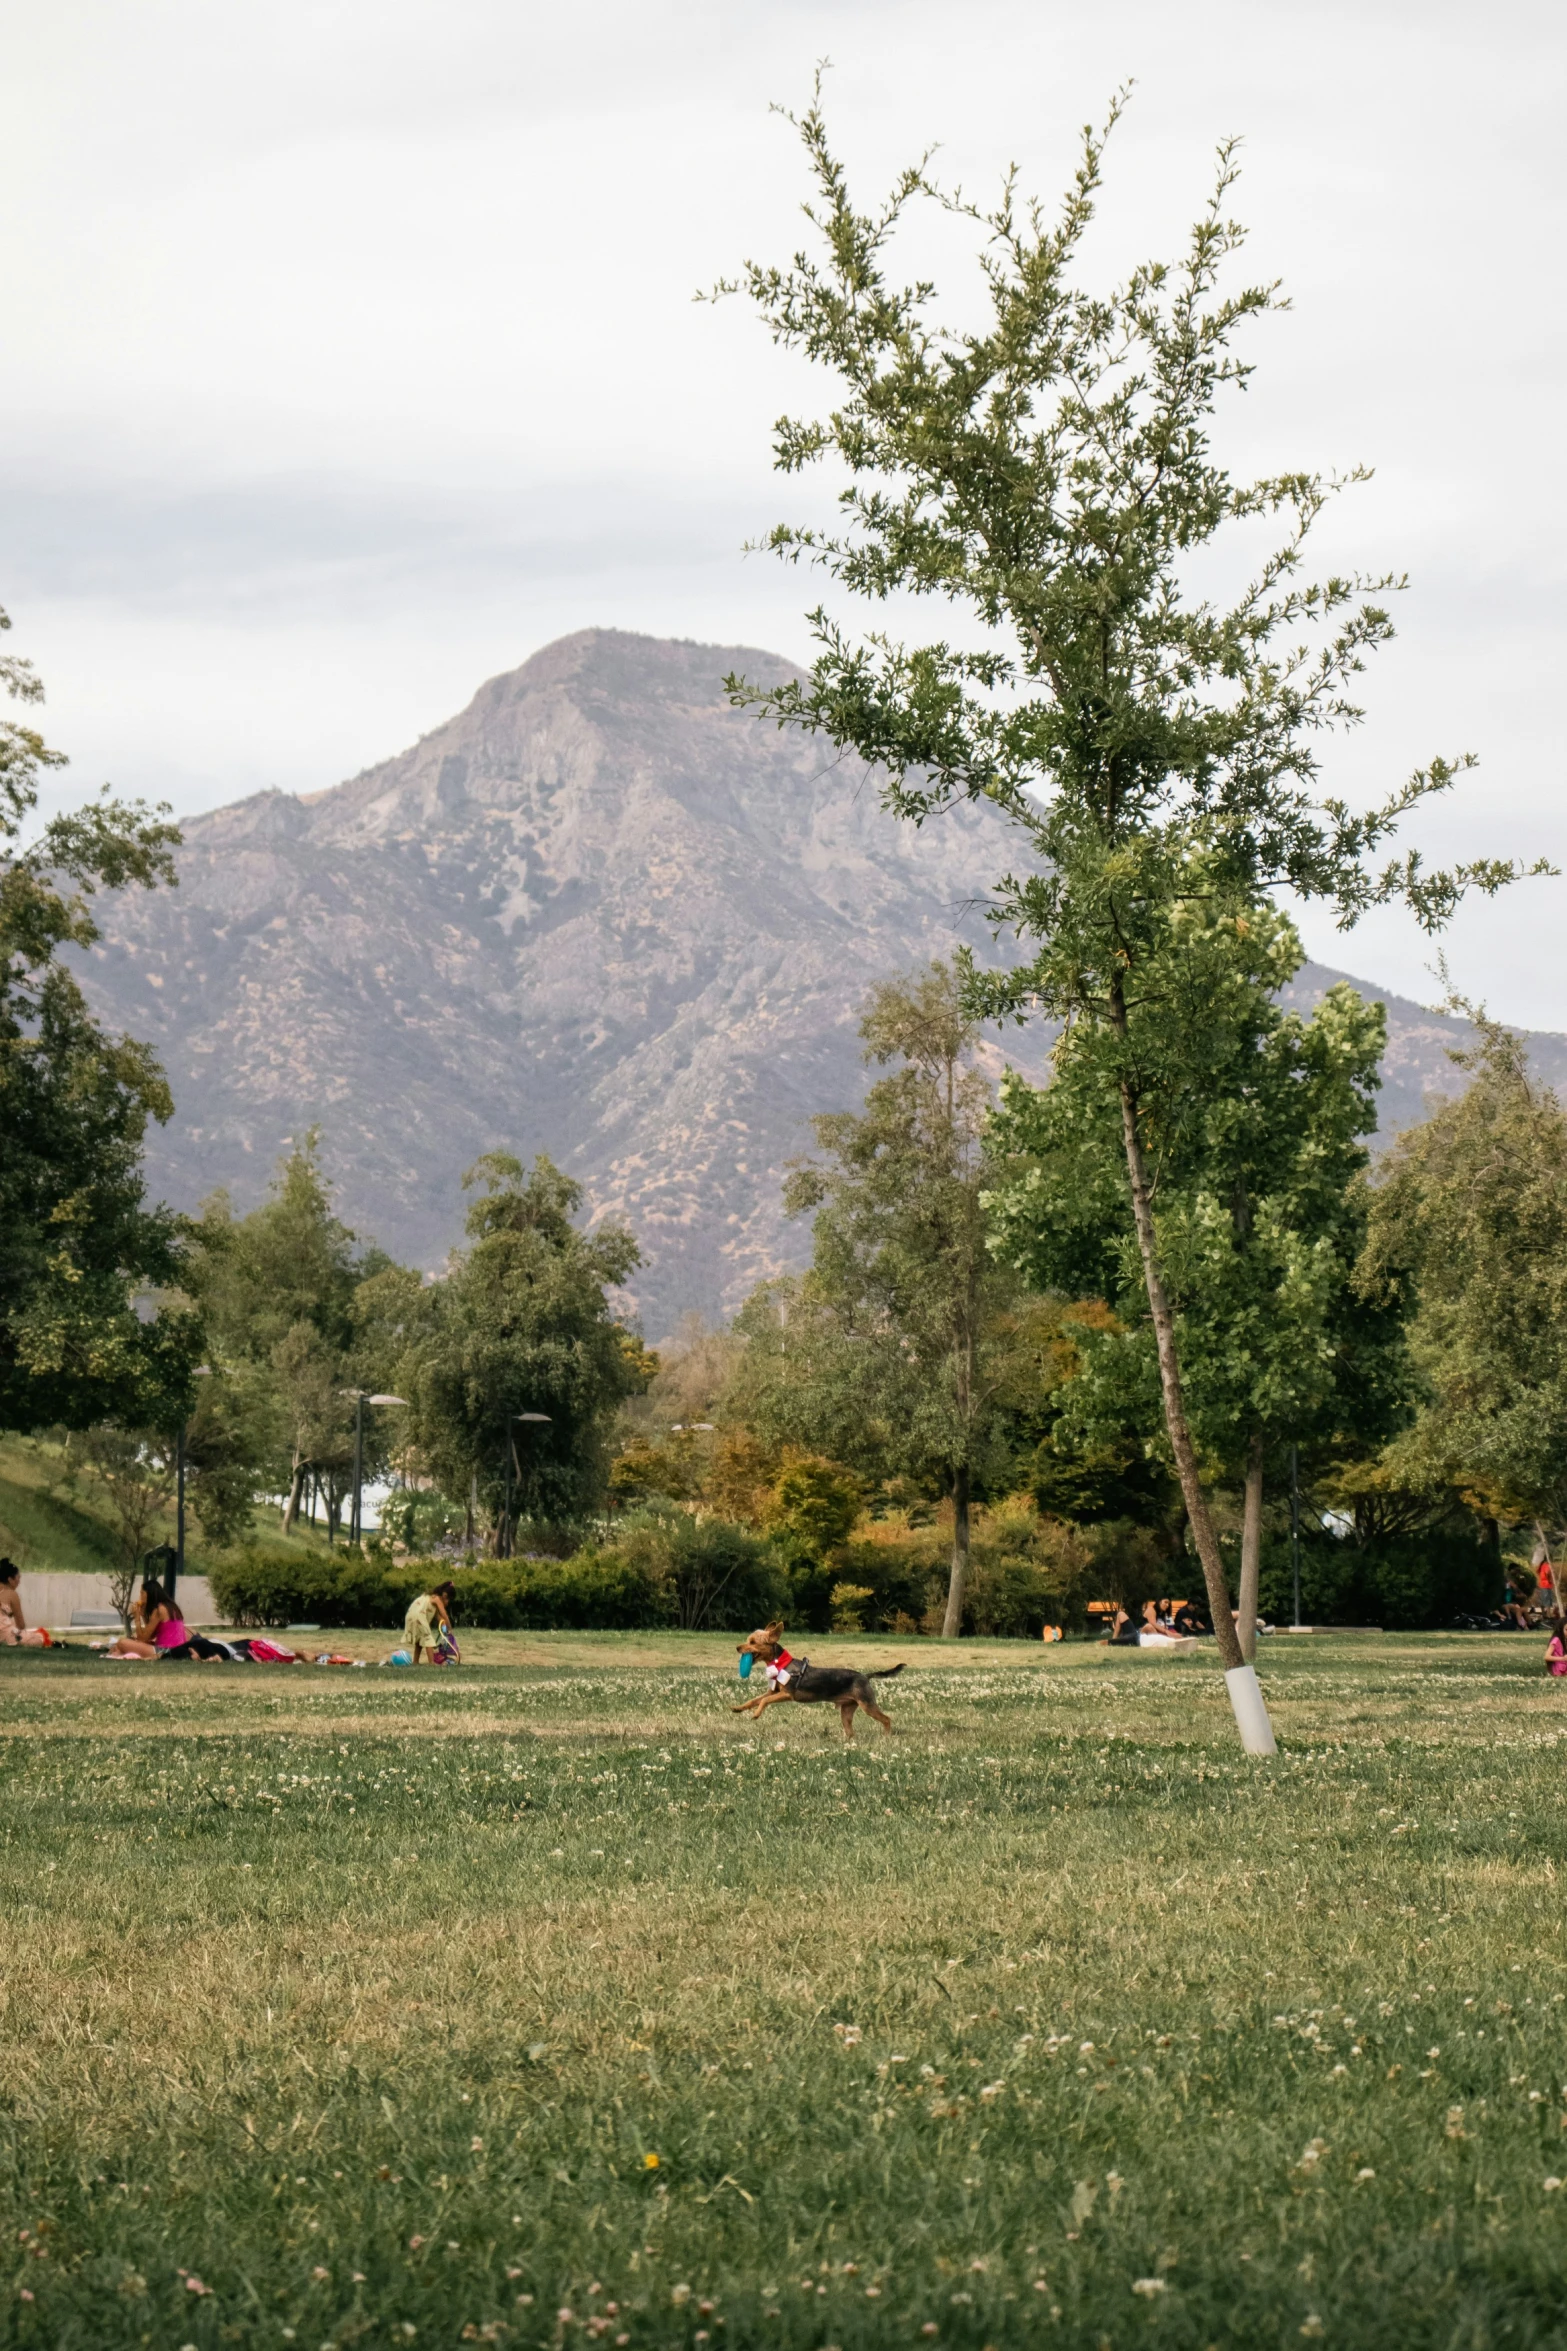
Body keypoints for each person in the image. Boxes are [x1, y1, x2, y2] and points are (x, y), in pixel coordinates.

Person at [103, 1578, 185, 1659]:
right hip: (177, 1649)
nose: (140, 1596)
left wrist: (137, 1618)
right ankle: (118, 1653)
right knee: (126, 1643)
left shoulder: (159, 1609)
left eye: (142, 1593)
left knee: (122, 1642)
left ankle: (117, 1652)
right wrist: (143, 1615)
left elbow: (142, 1639)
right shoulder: (169, 1606)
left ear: (149, 1594)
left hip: (165, 1651)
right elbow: (150, 1636)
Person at [404, 1580, 459, 1665]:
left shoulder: (430, 1597)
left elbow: (439, 1618)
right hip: (419, 1616)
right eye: (448, 1600)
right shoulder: (436, 1599)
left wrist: (444, 1628)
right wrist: (449, 1629)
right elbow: (444, 1614)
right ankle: (431, 1662)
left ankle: (415, 1661)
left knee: (420, 1640)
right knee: (428, 1638)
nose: (448, 1603)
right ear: (444, 1595)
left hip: (411, 1615)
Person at [0, 1559, 50, 1646]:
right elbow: (21, 1625)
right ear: (10, 1579)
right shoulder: (11, 1594)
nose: (19, 1582)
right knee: (39, 1638)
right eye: (18, 1578)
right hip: (5, 1634)